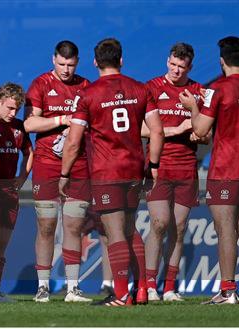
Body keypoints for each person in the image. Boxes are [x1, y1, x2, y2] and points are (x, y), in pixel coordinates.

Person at [60, 38, 164, 306]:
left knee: (115, 232)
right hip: (133, 169)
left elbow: (73, 142)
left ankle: (120, 294)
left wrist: (64, 173)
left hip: (107, 172)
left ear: (95, 62)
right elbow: (157, 131)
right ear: (121, 60)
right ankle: (141, 290)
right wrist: (152, 166)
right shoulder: (141, 89)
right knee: (131, 230)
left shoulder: (88, 94)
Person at [180, 36, 239, 304]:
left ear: (221, 62)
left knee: (226, 229)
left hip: (225, 168)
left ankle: (228, 290)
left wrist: (193, 107)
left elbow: (201, 130)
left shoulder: (220, 89)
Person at [24, 40, 92, 303]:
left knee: (74, 226)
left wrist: (78, 130)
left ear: (78, 62)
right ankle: (42, 287)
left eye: (71, 65)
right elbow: (30, 123)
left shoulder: (86, 86)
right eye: (62, 64)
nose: (66, 70)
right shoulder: (40, 84)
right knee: (46, 225)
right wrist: (63, 120)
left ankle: (73, 288)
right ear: (53, 59)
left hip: (79, 164)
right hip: (47, 164)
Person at [142, 42, 208, 302]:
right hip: (159, 166)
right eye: (172, 64)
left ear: (190, 67)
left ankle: (169, 287)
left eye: (182, 66)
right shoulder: (152, 88)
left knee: (179, 228)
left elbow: (207, 134)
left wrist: (195, 127)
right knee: (159, 223)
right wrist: (173, 130)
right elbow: (139, 129)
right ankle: (148, 285)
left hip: (185, 167)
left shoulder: (198, 92)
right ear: (167, 60)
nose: (176, 70)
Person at [0, 82, 33, 302]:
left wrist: (21, 179)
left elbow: (30, 153)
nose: (13, 113)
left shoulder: (19, 127)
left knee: (2, 244)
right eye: (10, 108)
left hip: (9, 191)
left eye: (17, 109)